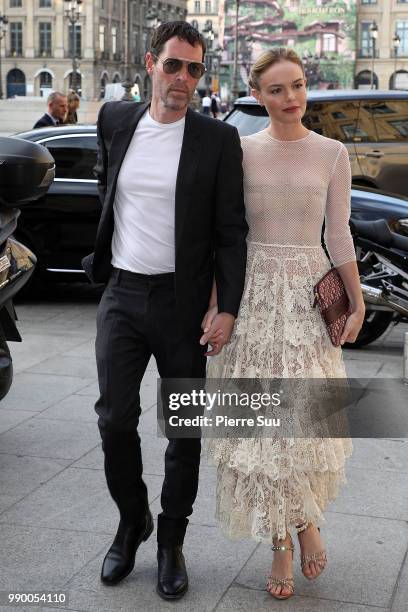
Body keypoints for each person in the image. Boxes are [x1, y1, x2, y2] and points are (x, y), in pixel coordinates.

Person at [82, 21, 248, 601]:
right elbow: (109, 189)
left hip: (183, 304)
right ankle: (133, 522)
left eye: (195, 70)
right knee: (113, 418)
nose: (183, 80)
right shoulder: (115, 120)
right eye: (174, 66)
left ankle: (171, 540)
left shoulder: (216, 139)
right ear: (150, 63)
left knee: (183, 429)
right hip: (123, 297)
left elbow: (231, 232)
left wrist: (226, 306)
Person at [201, 47, 365, 600]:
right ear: (259, 95)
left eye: (296, 86)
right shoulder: (241, 152)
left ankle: (303, 523)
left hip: (305, 299)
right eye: (276, 90)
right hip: (251, 297)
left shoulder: (332, 152)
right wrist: (217, 303)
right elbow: (229, 234)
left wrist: (357, 299)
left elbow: (338, 233)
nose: (290, 98)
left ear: (306, 87)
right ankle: (284, 539)